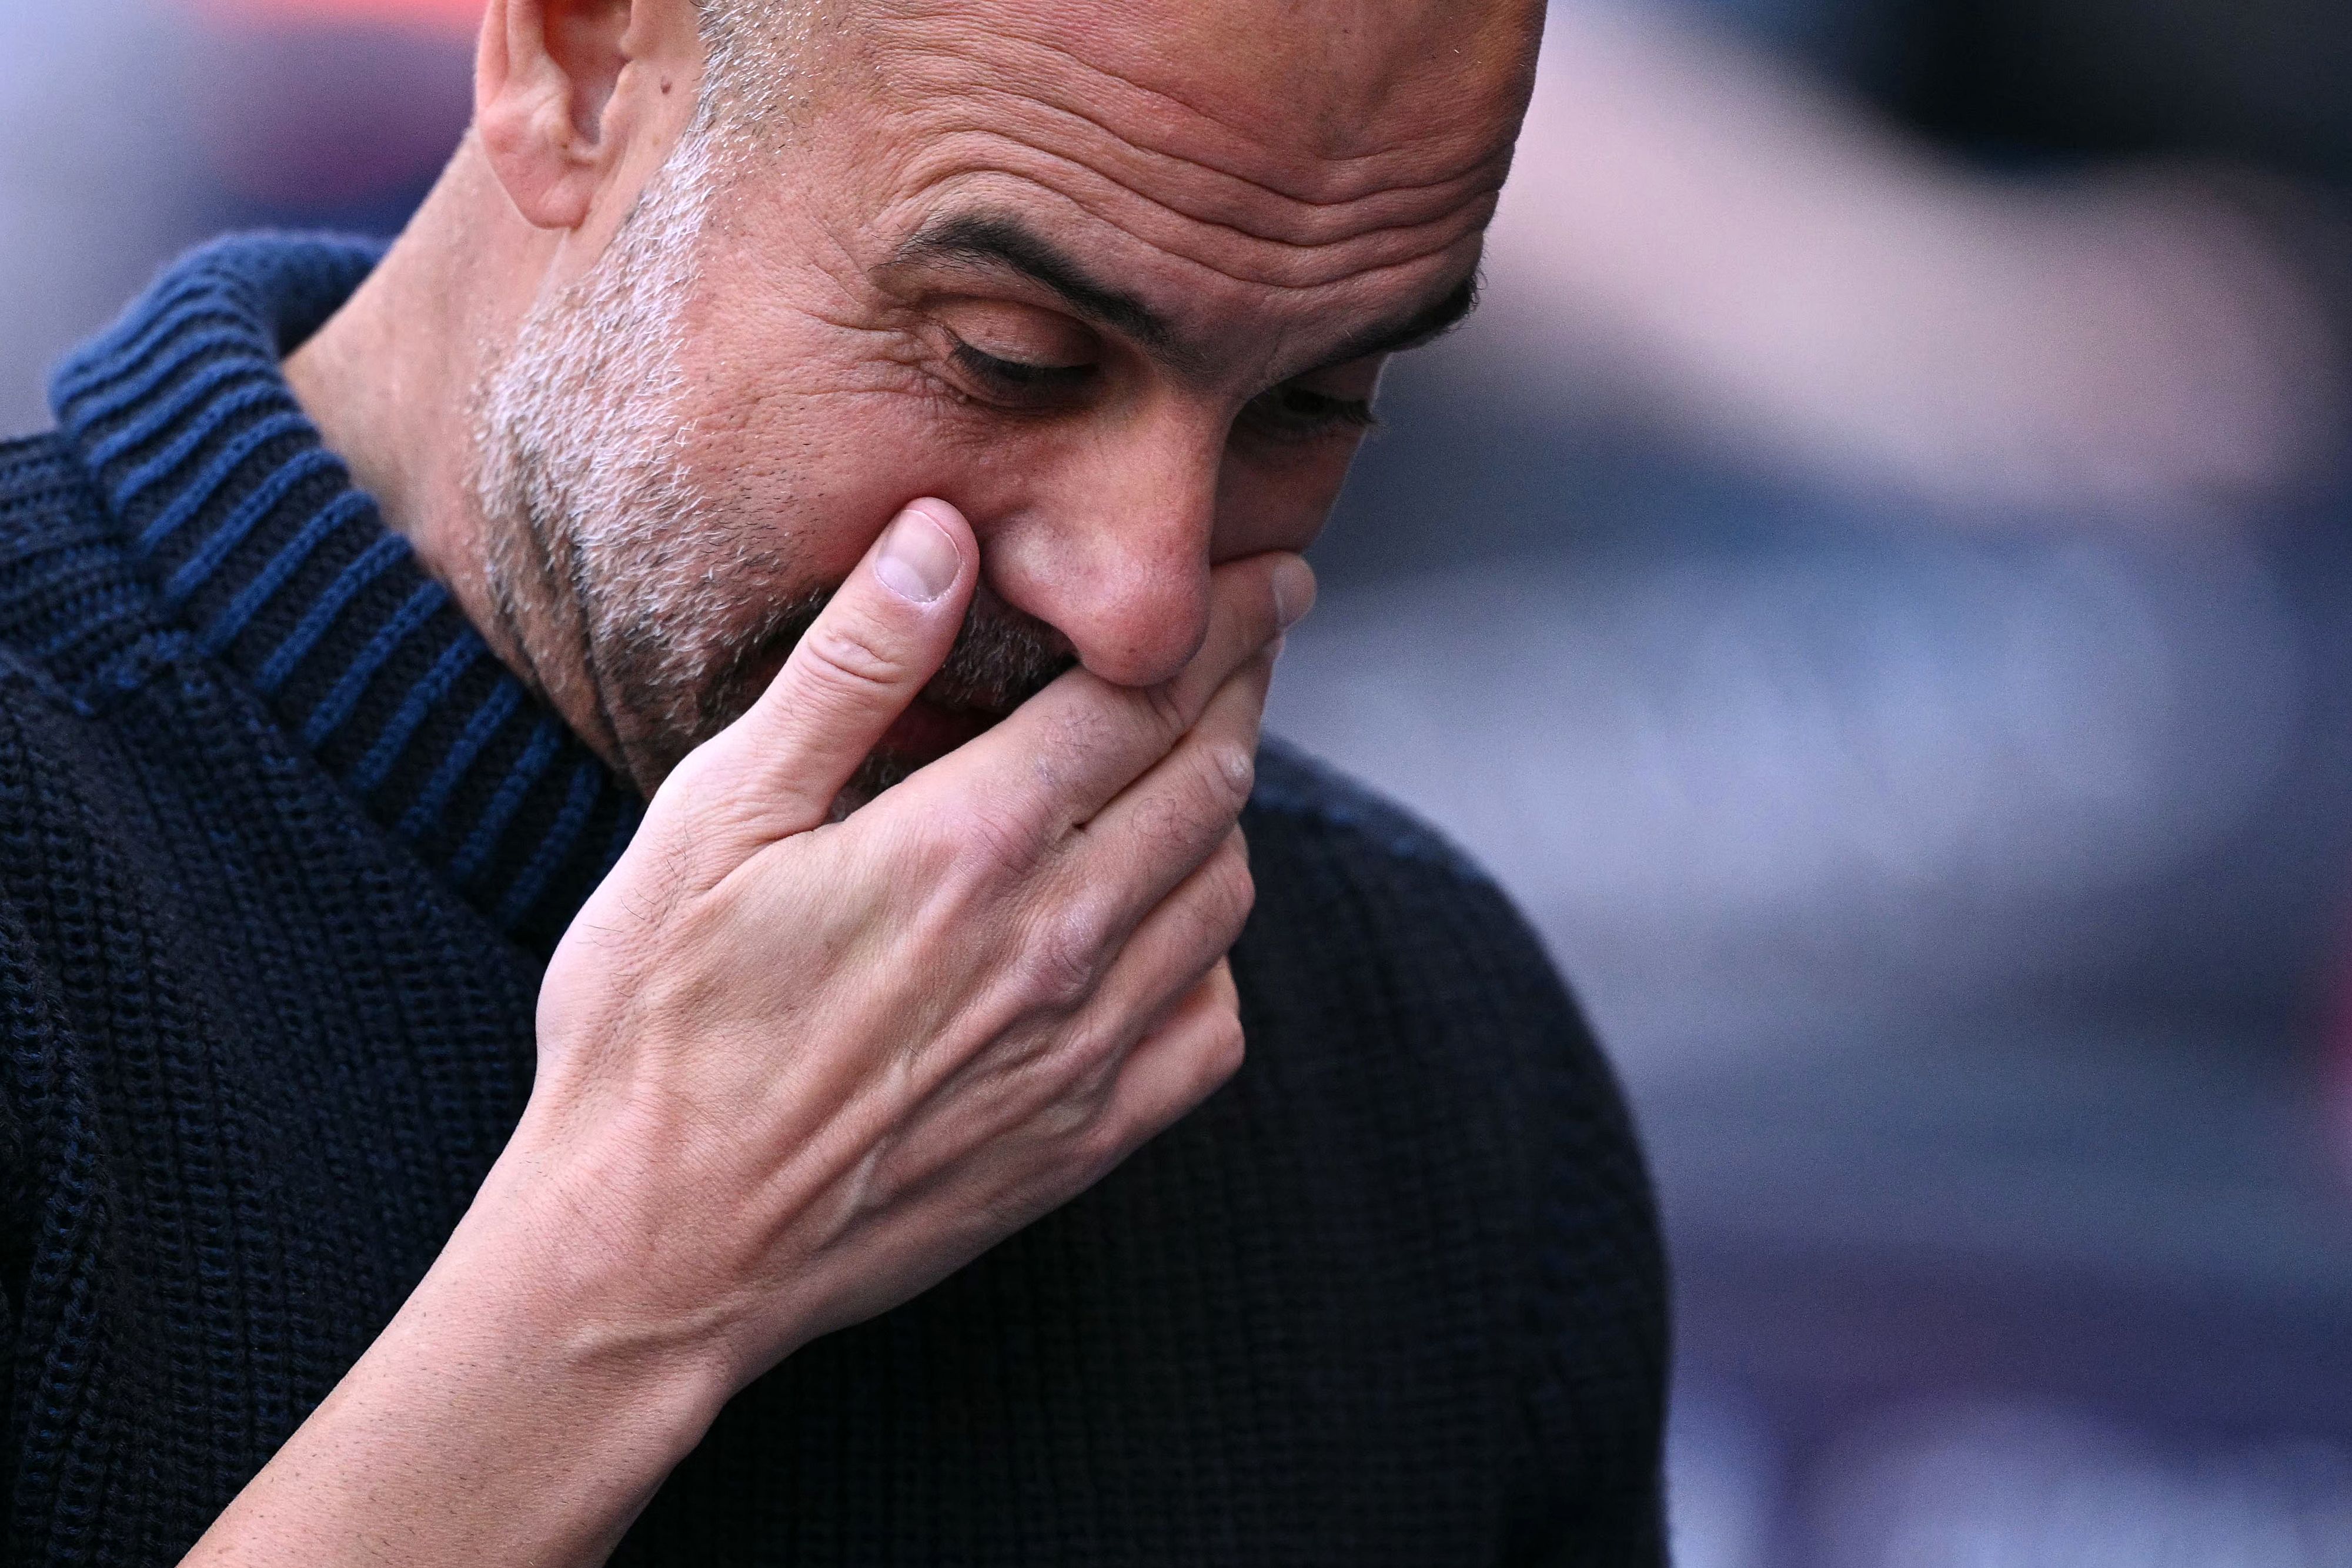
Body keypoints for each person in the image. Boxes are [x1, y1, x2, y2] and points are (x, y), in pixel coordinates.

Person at [0, 0, 1666, 1562]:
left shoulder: (1432, 1064)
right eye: (1014, 356)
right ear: (577, 72)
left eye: (1313, 406)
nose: (1145, 598)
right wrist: (616, 1296)